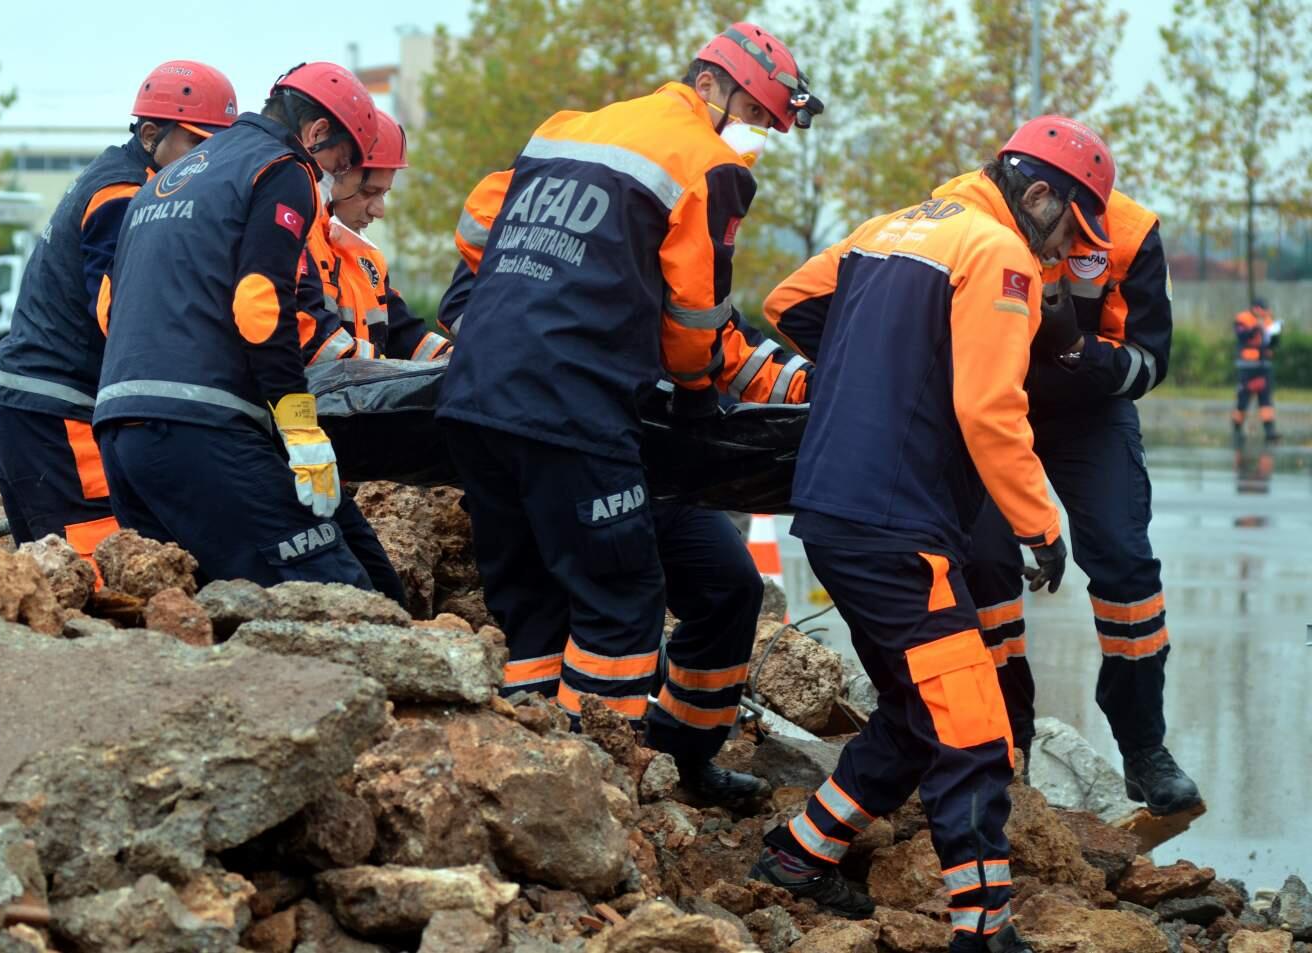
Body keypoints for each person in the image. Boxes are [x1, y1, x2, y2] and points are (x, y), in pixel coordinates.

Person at [751, 116, 1117, 953]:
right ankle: (982, 930)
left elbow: (790, 302)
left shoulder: (891, 228)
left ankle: (799, 851)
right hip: (896, 530)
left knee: (918, 714)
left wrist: (867, 365)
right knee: (973, 728)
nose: (1067, 252)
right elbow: (989, 408)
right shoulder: (999, 253)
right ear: (1037, 195)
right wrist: (1040, 524)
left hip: (838, 514)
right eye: (1070, 228)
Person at [434, 23, 821, 799]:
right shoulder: (703, 162)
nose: (750, 138)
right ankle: (588, 793)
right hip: (575, 411)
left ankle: (660, 759)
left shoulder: (567, 131)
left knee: (691, 589)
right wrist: (701, 393)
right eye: (752, 117)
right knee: (619, 605)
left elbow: (478, 229)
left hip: (479, 403)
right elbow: (696, 323)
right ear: (712, 85)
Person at [94, 62, 398, 591]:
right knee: (344, 600)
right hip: (202, 427)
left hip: (123, 433)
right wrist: (300, 427)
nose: (334, 178)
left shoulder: (166, 180)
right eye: (341, 163)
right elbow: (261, 304)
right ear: (316, 132)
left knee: (207, 610)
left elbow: (109, 305)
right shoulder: (282, 167)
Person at [963, 183, 1200, 816]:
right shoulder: (973, 210)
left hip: (1090, 410)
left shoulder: (1129, 230)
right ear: (1031, 191)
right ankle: (1006, 749)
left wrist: (1077, 351)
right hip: (990, 402)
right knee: (984, 568)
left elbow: (1149, 360)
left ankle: (1143, 748)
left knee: (1126, 565)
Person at [0, 60, 238, 568]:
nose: (207, 162)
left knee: (63, 578)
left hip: (45, 408)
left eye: (217, 148)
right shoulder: (122, 197)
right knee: (96, 574)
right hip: (58, 416)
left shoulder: (132, 181)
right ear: (150, 134)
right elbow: (121, 310)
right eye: (197, 145)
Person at [303, 109, 452, 365]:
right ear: (328, 174)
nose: (378, 210)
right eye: (368, 192)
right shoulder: (298, 247)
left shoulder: (367, 259)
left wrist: (460, 360)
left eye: (384, 194)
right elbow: (316, 347)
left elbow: (406, 335)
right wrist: (388, 371)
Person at [1232, 297, 1280, 444]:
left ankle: (1270, 431)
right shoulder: (1242, 319)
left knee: (1265, 400)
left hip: (1264, 367)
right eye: (1261, 309)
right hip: (1247, 367)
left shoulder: (1269, 321)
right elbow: (1241, 336)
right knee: (1243, 400)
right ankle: (1237, 430)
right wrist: (1256, 328)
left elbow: (1275, 343)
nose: (1264, 312)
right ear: (1255, 308)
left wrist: (1273, 334)